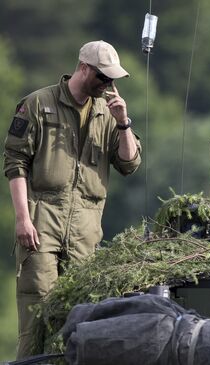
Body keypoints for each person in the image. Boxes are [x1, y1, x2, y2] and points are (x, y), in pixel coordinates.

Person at [3, 40, 141, 359]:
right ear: (83, 68)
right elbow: (15, 161)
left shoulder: (109, 113)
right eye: (103, 77)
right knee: (37, 311)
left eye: (113, 79)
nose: (109, 85)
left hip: (86, 229)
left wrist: (123, 123)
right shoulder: (38, 103)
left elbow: (129, 164)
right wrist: (23, 219)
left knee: (82, 315)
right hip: (41, 221)